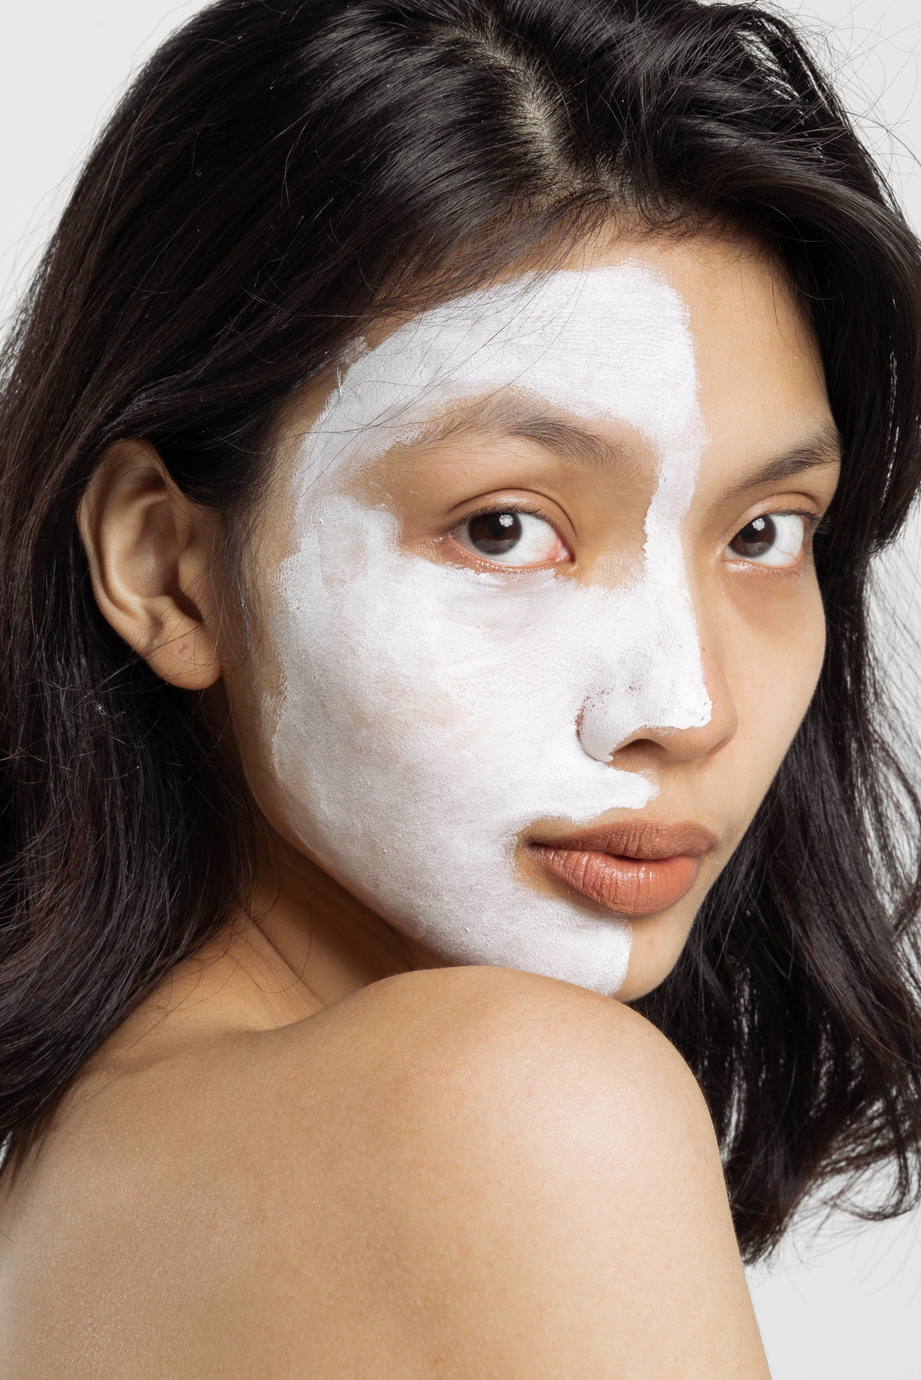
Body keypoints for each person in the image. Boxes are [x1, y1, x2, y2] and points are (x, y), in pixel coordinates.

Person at [1, 0, 921, 1372]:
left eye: (760, 534)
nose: (686, 705)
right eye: (502, 527)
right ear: (168, 569)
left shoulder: (70, 1173)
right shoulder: (510, 1105)